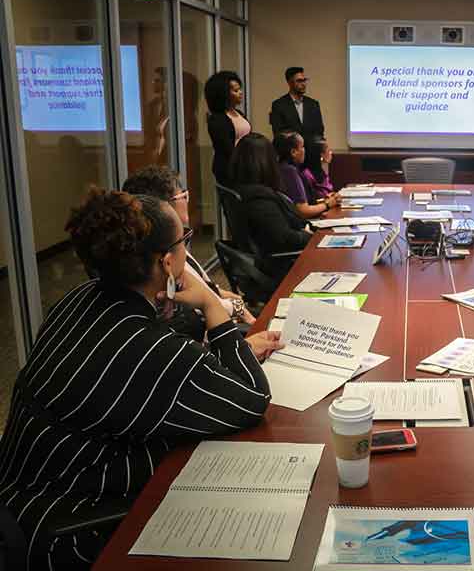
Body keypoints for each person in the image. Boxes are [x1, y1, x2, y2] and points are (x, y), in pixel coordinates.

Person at [0, 188, 281, 570]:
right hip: (71, 532)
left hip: (22, 495)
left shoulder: (77, 300)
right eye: (184, 239)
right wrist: (212, 305)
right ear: (167, 263)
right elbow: (249, 398)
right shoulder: (152, 350)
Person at [123, 165, 256, 331]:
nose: (188, 200)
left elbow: (209, 287)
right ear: (164, 207)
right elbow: (209, 309)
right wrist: (238, 306)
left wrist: (235, 301)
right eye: (183, 195)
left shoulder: (171, 248)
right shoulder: (167, 262)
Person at [229, 132, 311, 282]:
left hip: (271, 261)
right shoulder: (259, 200)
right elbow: (285, 238)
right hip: (280, 267)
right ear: (266, 162)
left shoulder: (241, 191)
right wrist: (310, 236)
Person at [269, 66, 331, 194]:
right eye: (299, 81)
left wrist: (323, 148)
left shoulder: (313, 104)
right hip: (291, 160)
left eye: (304, 80)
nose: (303, 84)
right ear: (289, 82)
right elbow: (279, 135)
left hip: (312, 159)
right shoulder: (279, 105)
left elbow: (319, 131)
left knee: (317, 194)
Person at [273, 132, 340, 218]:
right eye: (302, 147)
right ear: (293, 152)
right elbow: (303, 211)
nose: (305, 150)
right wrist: (328, 204)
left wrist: (325, 200)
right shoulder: (290, 171)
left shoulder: (280, 167)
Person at [205, 70, 250, 186]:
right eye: (235, 90)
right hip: (230, 169)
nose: (240, 93)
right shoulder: (217, 119)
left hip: (246, 165)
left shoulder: (239, 113)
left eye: (240, 89)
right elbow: (226, 149)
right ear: (223, 94)